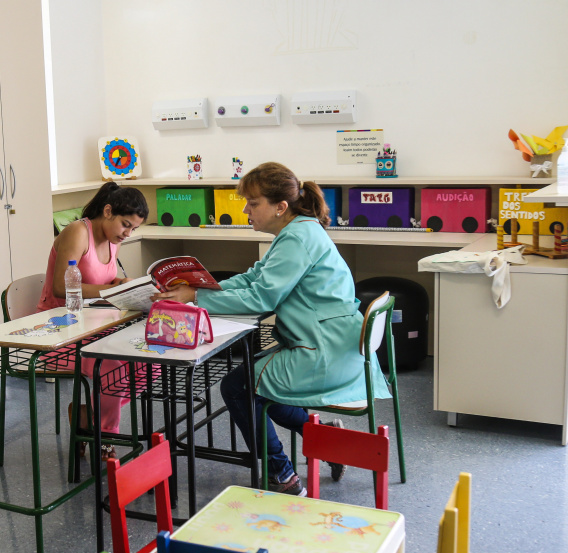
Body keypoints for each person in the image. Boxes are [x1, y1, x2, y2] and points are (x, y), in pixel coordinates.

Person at [153, 162, 390, 496]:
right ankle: (323, 438)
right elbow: (255, 278)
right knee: (259, 386)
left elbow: (262, 297)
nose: (246, 210)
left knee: (237, 387)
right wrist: (204, 287)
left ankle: (282, 473)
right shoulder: (298, 230)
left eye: (253, 203)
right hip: (332, 344)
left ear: (280, 207)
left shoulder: (296, 238)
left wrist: (197, 297)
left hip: (323, 352)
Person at [37, 181, 149, 460]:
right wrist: (114, 290)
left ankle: (88, 416)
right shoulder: (78, 232)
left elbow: (102, 282)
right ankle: (105, 436)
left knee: (148, 360)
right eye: (125, 225)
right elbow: (61, 289)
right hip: (59, 330)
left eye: (134, 229)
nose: (128, 233)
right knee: (113, 365)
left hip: (95, 324)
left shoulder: (113, 241)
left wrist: (121, 283)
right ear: (108, 211)